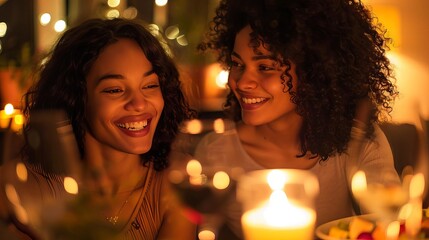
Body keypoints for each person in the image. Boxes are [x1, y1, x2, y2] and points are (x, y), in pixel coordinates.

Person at [198, 0, 400, 239]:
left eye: (265, 67)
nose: (241, 83)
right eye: (237, 64)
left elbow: (392, 226)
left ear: (315, 72)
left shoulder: (359, 142)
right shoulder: (215, 153)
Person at [0, 18, 196, 239]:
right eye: (114, 90)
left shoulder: (178, 181)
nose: (139, 104)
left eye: (150, 86)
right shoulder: (21, 187)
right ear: (75, 98)